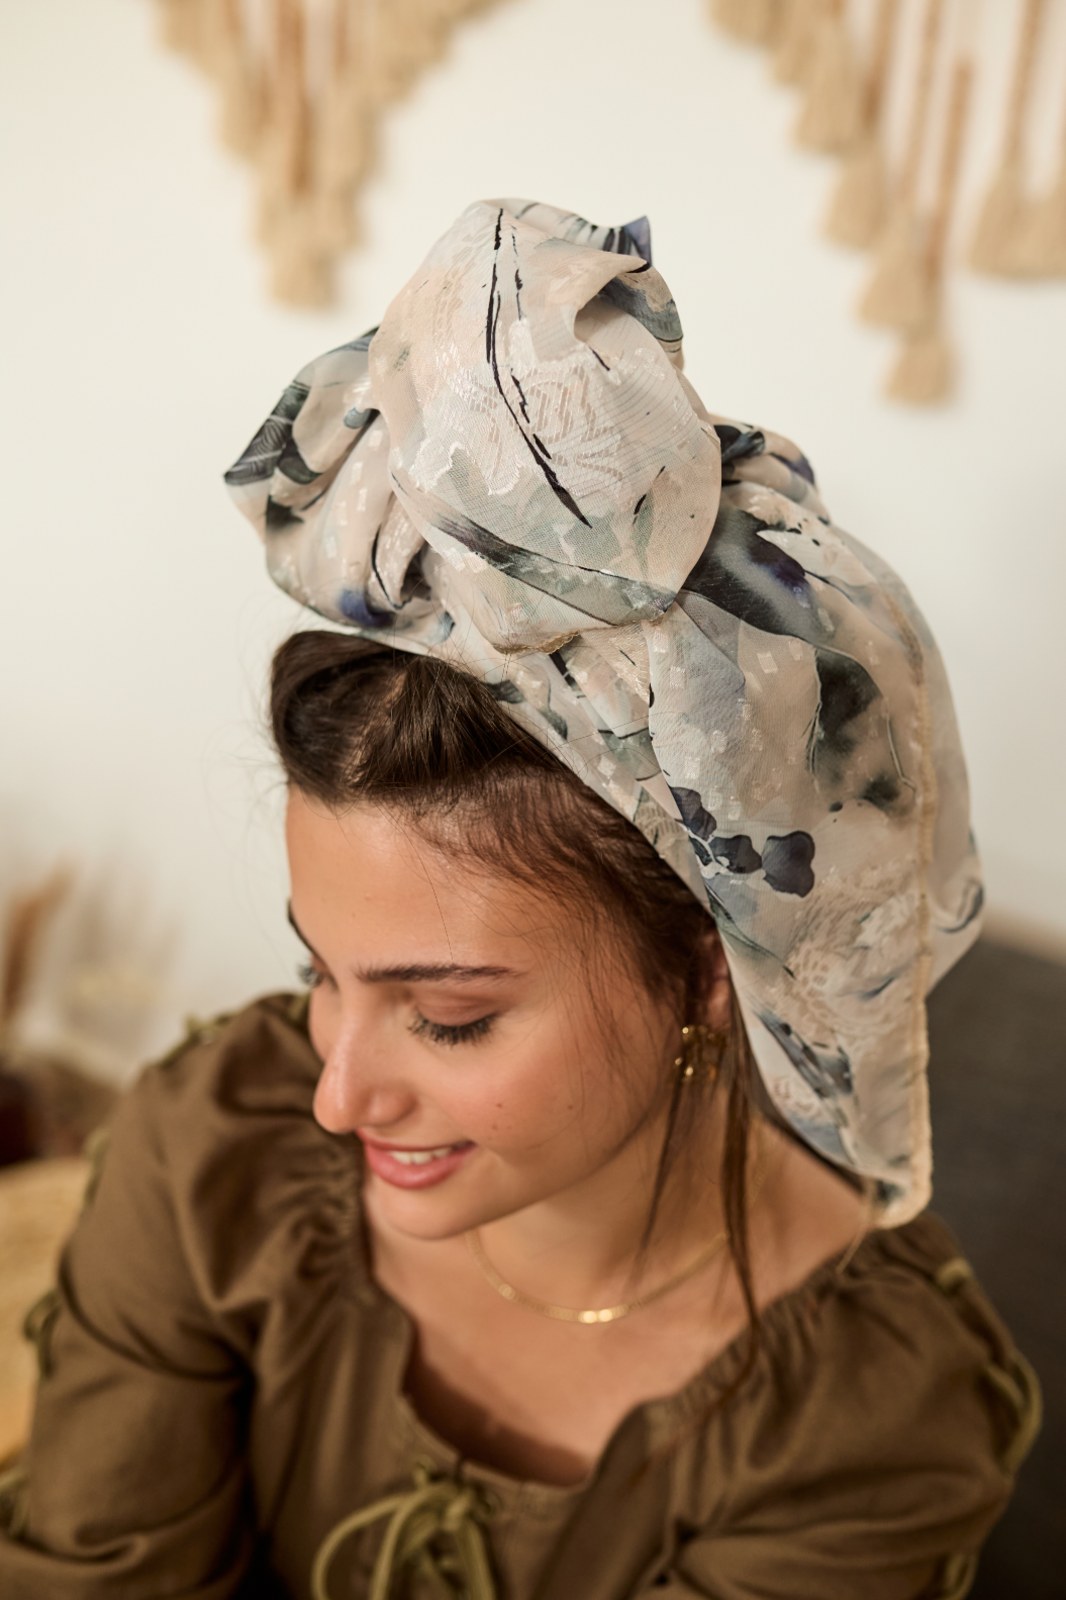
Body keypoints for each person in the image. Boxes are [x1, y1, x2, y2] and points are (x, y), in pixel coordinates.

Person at [0, 198, 1041, 1600]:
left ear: (712, 961)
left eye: (447, 1018)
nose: (334, 1096)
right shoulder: (221, 1147)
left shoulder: (862, 1427)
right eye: (320, 976)